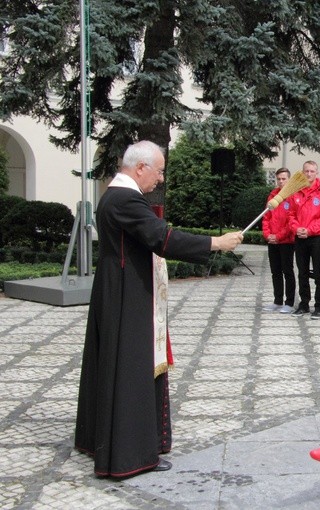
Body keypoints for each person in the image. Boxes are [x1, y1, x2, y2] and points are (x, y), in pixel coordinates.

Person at [74, 141, 243, 478]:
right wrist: (215, 243)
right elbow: (161, 239)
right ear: (140, 168)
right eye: (159, 170)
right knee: (131, 369)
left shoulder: (112, 195)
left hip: (116, 286)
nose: (161, 178)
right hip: (128, 294)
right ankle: (129, 454)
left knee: (113, 365)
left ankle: (105, 439)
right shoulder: (126, 199)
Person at [289, 160, 320, 319]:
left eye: (312, 171)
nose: (309, 174)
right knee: (302, 272)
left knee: (319, 272)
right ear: (302, 172)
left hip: (316, 238)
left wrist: (309, 230)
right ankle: (304, 304)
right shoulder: (295, 192)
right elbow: (291, 215)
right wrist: (296, 229)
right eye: (306, 171)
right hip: (300, 237)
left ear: (317, 173)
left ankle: (319, 305)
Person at [262, 168, 297, 313]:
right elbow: (266, 218)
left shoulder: (293, 196)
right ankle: (277, 300)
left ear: (289, 180)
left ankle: (289, 302)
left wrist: (279, 236)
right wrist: (268, 234)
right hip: (272, 241)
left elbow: (291, 222)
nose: (281, 181)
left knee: (287, 272)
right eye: (279, 179)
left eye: (284, 179)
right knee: (275, 272)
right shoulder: (272, 196)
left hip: (286, 241)